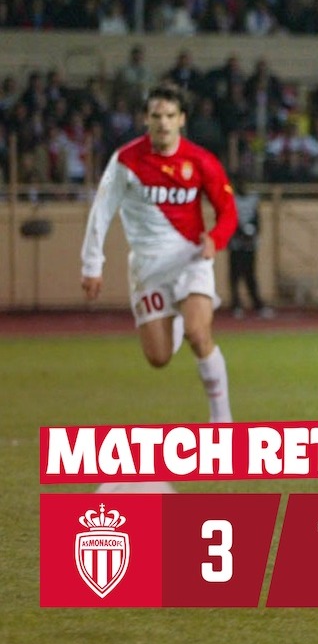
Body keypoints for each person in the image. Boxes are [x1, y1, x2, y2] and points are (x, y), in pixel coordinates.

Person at [81, 84, 238, 447]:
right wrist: (92, 264)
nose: (163, 123)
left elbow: (228, 210)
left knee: (199, 334)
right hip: (148, 269)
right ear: (145, 119)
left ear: (182, 119)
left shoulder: (201, 161)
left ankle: (222, 421)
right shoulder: (126, 161)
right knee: (158, 357)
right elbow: (101, 211)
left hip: (190, 259)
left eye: (170, 116)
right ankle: (176, 318)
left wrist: (215, 240)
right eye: (156, 116)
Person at [228, 175, 274, 319]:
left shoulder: (253, 199)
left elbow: (257, 218)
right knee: (235, 275)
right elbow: (229, 218)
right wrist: (240, 232)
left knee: (250, 274)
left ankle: (257, 304)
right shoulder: (231, 199)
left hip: (249, 244)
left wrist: (252, 232)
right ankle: (236, 304)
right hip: (235, 243)